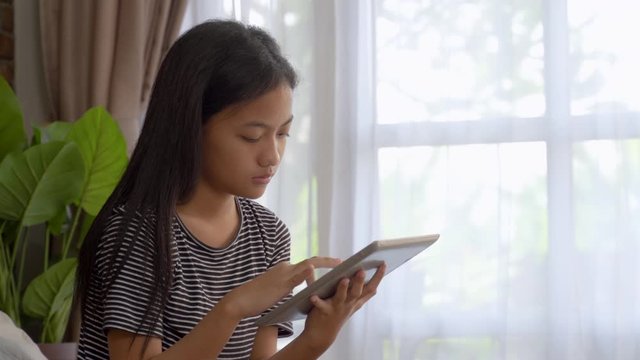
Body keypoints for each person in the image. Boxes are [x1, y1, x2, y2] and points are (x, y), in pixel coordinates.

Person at [74, 19, 385, 360]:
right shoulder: (138, 234)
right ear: (191, 127)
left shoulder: (268, 236)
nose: (272, 156)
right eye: (251, 136)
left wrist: (316, 339)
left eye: (282, 134)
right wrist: (233, 308)